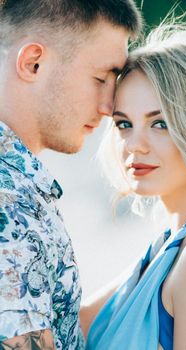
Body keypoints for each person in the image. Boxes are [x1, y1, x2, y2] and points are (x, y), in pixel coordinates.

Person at [84, 19, 186, 350]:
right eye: (124, 123)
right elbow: (66, 326)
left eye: (160, 123)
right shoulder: (168, 246)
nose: (134, 145)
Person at [0, 1, 142, 349]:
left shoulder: (21, 186)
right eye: (100, 78)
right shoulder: (9, 202)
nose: (110, 106)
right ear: (33, 62)